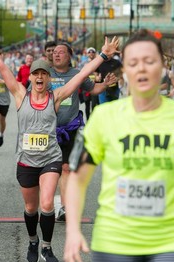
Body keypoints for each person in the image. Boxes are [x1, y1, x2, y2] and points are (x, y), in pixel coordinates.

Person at [63, 29, 174, 262]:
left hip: (171, 242)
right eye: (133, 62)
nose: (142, 68)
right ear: (125, 71)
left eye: (149, 61)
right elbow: (77, 179)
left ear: (162, 66)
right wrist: (72, 230)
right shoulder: (104, 117)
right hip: (114, 242)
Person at [0, 19, 119, 262]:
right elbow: (0, 64)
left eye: (43, 74)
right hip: (26, 160)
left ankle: (47, 247)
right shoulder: (19, 94)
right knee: (31, 208)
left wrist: (103, 55)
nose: (39, 77)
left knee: (47, 203)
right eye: (36, 73)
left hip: (50, 158)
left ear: (48, 79)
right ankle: (32, 241)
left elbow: (82, 75)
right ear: (30, 78)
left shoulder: (56, 96)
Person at [51, 42, 117, 222]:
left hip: (70, 128)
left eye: (61, 52)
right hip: (48, 129)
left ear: (69, 56)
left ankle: (64, 207)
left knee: (65, 168)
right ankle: (48, 204)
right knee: (51, 170)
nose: (57, 55)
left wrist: (104, 84)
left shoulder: (76, 74)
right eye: (55, 52)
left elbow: (93, 89)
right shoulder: (44, 74)